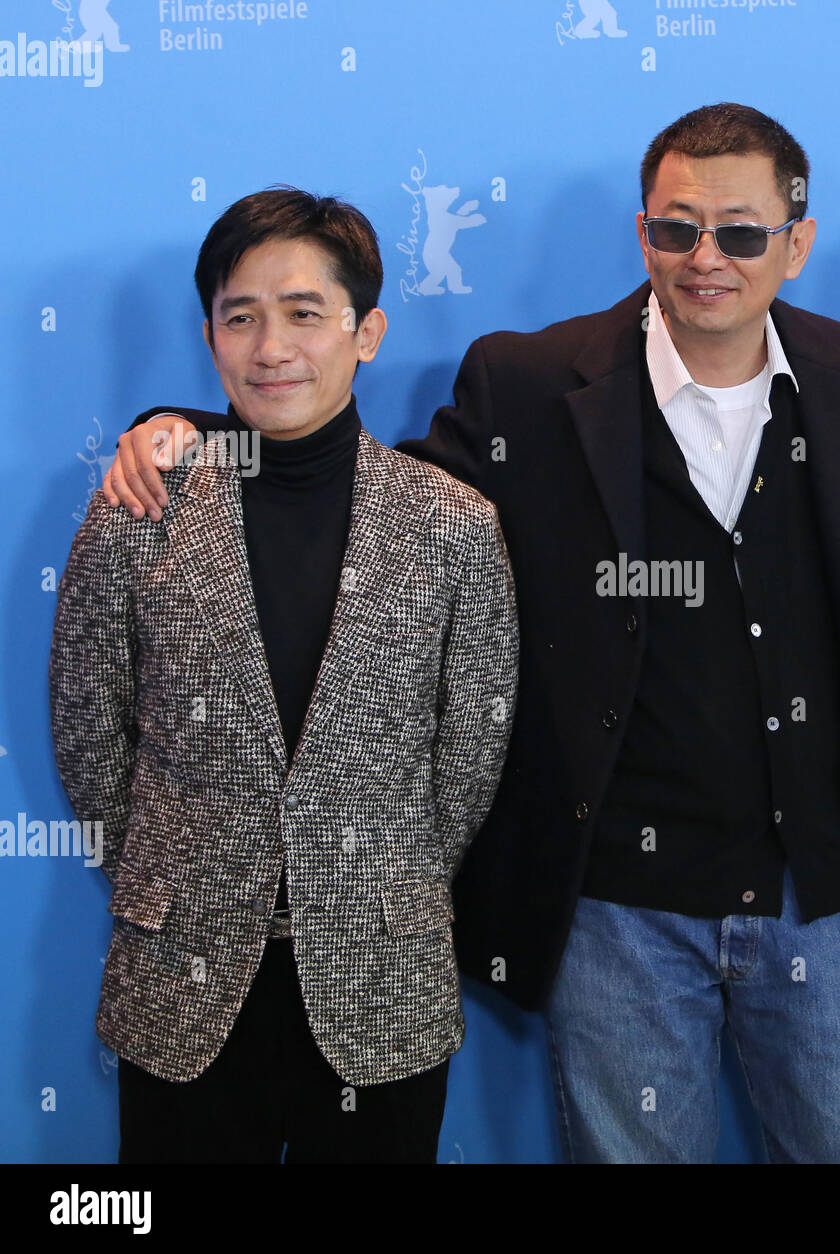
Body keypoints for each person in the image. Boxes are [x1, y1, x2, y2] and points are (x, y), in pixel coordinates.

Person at [100, 107, 840, 1164]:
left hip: (831, 898)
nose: (707, 257)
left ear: (795, 246)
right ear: (643, 232)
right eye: (677, 227)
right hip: (616, 911)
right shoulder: (528, 380)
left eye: (742, 234)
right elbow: (375, 488)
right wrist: (202, 429)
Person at [49, 188, 518, 1163]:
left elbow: (469, 754)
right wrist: (171, 869)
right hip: (182, 975)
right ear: (210, 332)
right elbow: (87, 726)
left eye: (304, 313)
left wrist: (379, 875)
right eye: (241, 315)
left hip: (381, 980)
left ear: (367, 330)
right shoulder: (140, 508)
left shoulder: (453, 526)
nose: (272, 348)